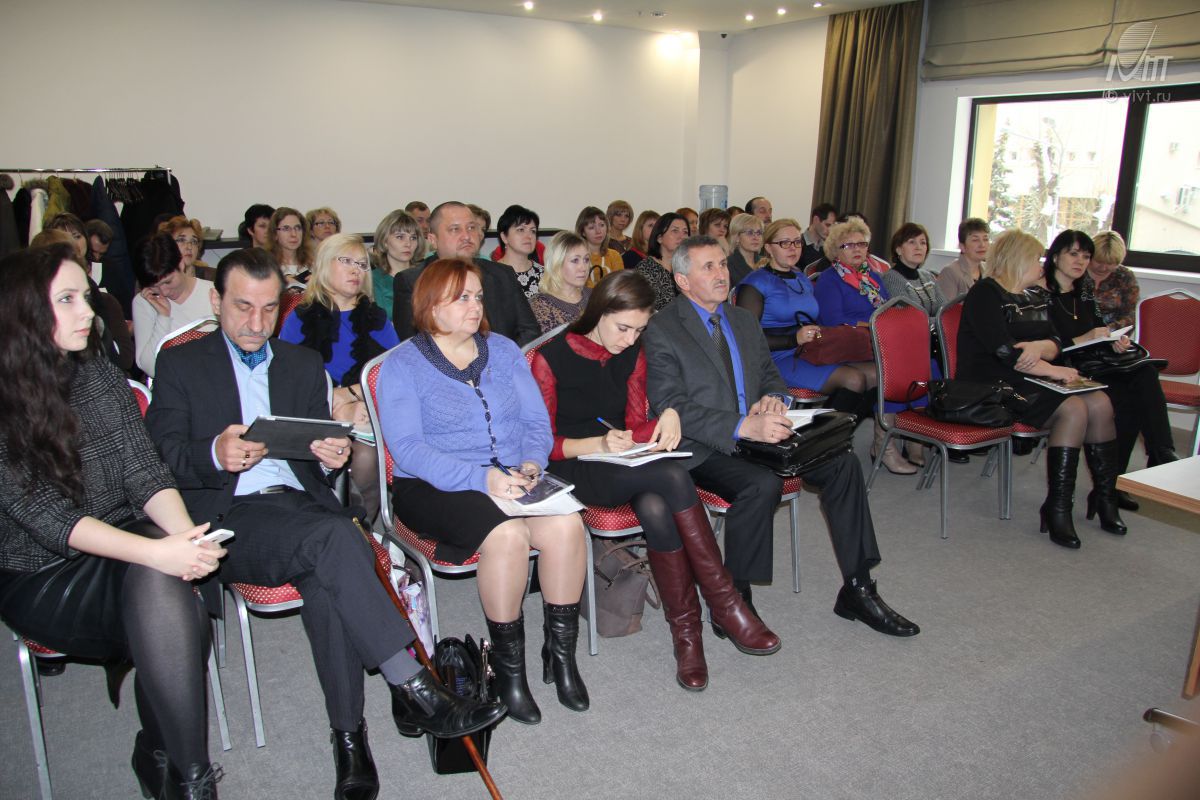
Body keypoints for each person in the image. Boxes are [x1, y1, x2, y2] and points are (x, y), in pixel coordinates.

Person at [146, 247, 506, 798]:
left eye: (270, 309)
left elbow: (316, 453)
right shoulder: (181, 364)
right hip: (229, 518)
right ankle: (416, 688)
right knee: (338, 540)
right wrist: (214, 452)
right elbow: (157, 458)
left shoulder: (298, 363)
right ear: (216, 301)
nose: (257, 323)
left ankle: (350, 741)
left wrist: (329, 455)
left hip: (302, 511)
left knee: (327, 574)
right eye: (243, 307)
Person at [0, 242, 227, 798]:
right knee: (167, 587)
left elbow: (145, 471)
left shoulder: (97, 373)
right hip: (44, 573)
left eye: (86, 296)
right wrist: (158, 552)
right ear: (24, 309)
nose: (89, 311)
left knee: (170, 584)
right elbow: (45, 516)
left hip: (123, 541)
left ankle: (185, 775)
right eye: (68, 299)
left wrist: (185, 538)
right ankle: (170, 762)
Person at [642, 235, 919, 637]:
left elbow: (772, 376)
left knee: (842, 463)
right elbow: (670, 404)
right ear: (682, 280)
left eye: (723, 264)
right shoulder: (663, 328)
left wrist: (774, 398)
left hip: (760, 434)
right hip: (703, 444)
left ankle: (858, 588)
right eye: (709, 267)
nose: (722, 274)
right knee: (760, 484)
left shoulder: (742, 320)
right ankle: (733, 600)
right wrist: (741, 426)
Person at [529, 271, 780, 691]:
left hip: (619, 461)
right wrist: (597, 443)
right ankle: (725, 602)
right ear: (599, 312)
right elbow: (539, 446)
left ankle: (688, 637)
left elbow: (633, 427)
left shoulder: (633, 353)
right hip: (571, 465)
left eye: (639, 330)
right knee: (672, 475)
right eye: (623, 327)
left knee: (656, 505)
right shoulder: (550, 358)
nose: (630, 339)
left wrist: (666, 417)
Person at [376, 258, 590, 726]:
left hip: (511, 475)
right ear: (431, 305)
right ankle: (508, 673)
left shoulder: (504, 349)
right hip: (433, 485)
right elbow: (408, 450)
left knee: (567, 525)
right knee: (508, 535)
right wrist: (481, 479)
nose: (475, 306)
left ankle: (561, 656)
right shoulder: (403, 364)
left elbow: (535, 422)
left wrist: (532, 462)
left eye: (477, 296)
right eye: (461, 298)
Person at [957, 230, 1123, 549]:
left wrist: (1038, 348)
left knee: (1101, 402)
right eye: (1036, 259)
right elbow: (1005, 353)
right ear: (1018, 260)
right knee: (1073, 409)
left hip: (1031, 377)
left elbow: (1056, 341)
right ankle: (1058, 506)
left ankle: (1105, 497)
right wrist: (1053, 370)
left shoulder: (1033, 295)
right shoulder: (985, 294)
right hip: (993, 385)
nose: (1041, 265)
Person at [736, 219, 909, 472]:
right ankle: (816, 446)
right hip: (774, 357)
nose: (793, 248)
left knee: (879, 374)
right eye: (784, 243)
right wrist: (792, 339)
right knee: (853, 380)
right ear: (769, 247)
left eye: (797, 242)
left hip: (809, 350)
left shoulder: (801, 278)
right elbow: (745, 336)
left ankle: (831, 439)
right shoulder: (756, 283)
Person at [1043, 229, 1177, 512]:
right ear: (1055, 257)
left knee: (1143, 374)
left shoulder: (1084, 290)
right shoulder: (1041, 293)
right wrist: (1087, 337)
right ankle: (1114, 486)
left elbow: (1099, 326)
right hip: (1065, 366)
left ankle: (1158, 453)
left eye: (1085, 256)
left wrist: (1113, 341)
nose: (1081, 261)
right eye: (1074, 254)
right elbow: (1048, 345)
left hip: (1096, 361)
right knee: (1127, 397)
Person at [279, 233, 399, 525]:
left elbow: (395, 373)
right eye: (346, 261)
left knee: (365, 459)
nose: (356, 270)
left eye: (362, 264)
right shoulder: (299, 318)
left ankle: (362, 532)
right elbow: (286, 379)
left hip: (366, 413)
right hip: (315, 412)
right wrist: (333, 403)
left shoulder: (377, 319)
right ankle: (332, 528)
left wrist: (351, 395)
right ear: (323, 264)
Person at [392, 201, 540, 344]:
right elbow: (414, 344)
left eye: (471, 228)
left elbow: (530, 330)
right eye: (455, 229)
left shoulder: (502, 274)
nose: (467, 236)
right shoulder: (412, 281)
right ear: (433, 239)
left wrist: (503, 357)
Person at [41, 215, 133, 375]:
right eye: (63, 238)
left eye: (76, 236)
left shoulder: (108, 281)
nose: (72, 243)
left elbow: (124, 357)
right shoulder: (40, 297)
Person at [132, 232, 216, 378]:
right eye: (154, 286)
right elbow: (151, 368)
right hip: (171, 385)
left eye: (168, 281)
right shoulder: (144, 302)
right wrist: (163, 317)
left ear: (181, 264)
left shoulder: (213, 293)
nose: (163, 291)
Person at [529, 232, 592, 332]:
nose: (583, 268)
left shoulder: (594, 296)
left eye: (586, 259)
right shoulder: (540, 305)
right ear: (556, 263)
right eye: (575, 260)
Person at [371, 209, 424, 323]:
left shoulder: (426, 275)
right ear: (385, 241)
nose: (408, 244)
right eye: (400, 237)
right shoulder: (373, 279)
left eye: (413, 238)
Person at [633, 212, 689, 311]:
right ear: (659, 238)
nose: (682, 236)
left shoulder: (689, 267)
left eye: (685, 232)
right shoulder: (645, 269)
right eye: (675, 231)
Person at [1083, 230, 1139, 329]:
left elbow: (1132, 314)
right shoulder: (1076, 272)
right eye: (1098, 261)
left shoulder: (1125, 276)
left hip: (1112, 334)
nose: (1103, 268)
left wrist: (1109, 330)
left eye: (1110, 263)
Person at [494, 204, 545, 297]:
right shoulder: (491, 274)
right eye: (521, 230)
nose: (529, 236)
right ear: (504, 237)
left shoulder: (545, 275)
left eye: (533, 231)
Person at [936, 218, 989, 299]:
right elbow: (947, 306)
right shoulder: (950, 272)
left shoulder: (990, 269)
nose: (982, 245)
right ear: (962, 246)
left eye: (985, 239)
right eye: (975, 240)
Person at [575, 205, 623, 287]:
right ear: (583, 232)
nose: (598, 231)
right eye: (591, 227)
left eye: (602, 225)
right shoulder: (576, 257)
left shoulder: (614, 255)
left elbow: (620, 285)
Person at [269, 207, 315, 286]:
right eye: (286, 229)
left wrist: (316, 286)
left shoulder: (314, 265)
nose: (293, 234)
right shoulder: (266, 266)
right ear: (275, 234)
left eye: (298, 228)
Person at [157, 216, 211, 280]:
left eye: (194, 241)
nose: (189, 247)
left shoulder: (211, 277)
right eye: (181, 240)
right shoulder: (157, 279)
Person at [727, 212, 765, 288]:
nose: (756, 237)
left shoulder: (766, 263)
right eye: (750, 233)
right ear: (737, 237)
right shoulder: (728, 265)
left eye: (759, 233)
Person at [800, 202, 838, 269]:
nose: (830, 230)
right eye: (827, 225)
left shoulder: (829, 248)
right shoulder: (797, 244)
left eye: (833, 226)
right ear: (816, 220)